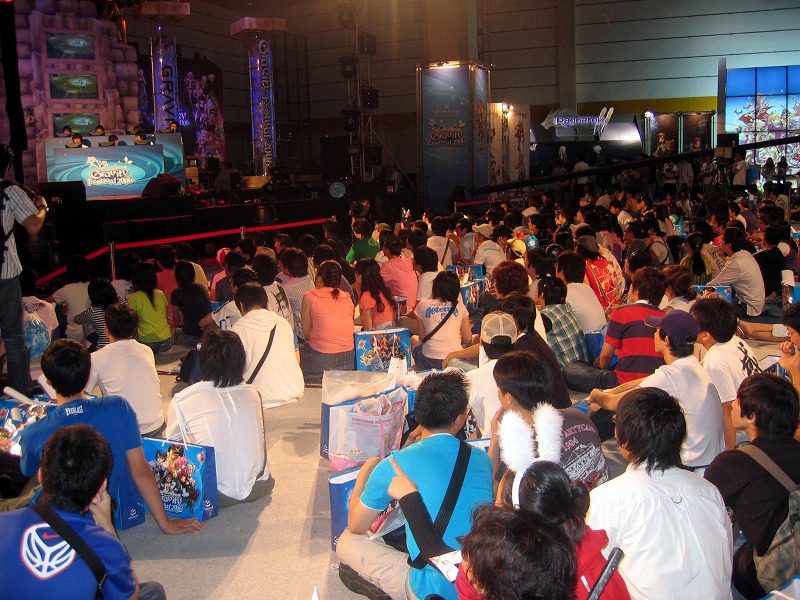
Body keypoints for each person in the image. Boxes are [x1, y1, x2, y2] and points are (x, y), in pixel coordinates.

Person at [336, 371, 493, 600]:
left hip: (432, 590)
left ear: (418, 415)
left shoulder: (393, 465)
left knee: (346, 541)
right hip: (481, 581)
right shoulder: (482, 459)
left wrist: (365, 474)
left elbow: (356, 525)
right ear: (460, 419)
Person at [19, 340, 202, 535]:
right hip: (103, 510)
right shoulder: (119, 408)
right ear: (88, 375)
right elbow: (140, 470)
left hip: (56, 521)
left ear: (48, 381)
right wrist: (166, 523)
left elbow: (28, 471)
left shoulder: (33, 433)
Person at [586, 387, 733, 599]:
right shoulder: (709, 491)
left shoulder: (606, 499)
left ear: (623, 439)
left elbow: (592, 578)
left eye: (616, 423)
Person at [0, 425, 166, 600]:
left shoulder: (4, 522)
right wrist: (107, 526)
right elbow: (131, 596)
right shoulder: (105, 546)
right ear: (101, 487)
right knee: (152, 591)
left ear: (40, 476)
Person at [590, 310, 725, 470]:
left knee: (626, 410)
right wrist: (608, 392)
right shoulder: (691, 365)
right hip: (709, 460)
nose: (653, 334)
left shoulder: (670, 376)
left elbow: (613, 403)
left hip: (689, 464)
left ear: (666, 340)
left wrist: (596, 394)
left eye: (656, 331)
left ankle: (583, 440)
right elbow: (644, 381)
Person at [705, 374, 800, 599]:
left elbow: (703, 513)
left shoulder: (731, 464)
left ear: (752, 417)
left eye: (738, 401)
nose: (733, 405)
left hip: (774, 576)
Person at [166, 330, 273, 506]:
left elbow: (172, 448)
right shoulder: (253, 393)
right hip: (259, 486)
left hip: (212, 494)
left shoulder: (182, 399)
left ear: (202, 360)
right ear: (241, 361)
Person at [492, 351, 608, 489]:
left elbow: (493, 488)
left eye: (499, 388)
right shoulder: (579, 416)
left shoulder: (522, 452)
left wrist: (495, 437)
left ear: (509, 397)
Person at [566, 267, 667, 394]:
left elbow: (605, 356)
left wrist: (600, 370)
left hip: (623, 383)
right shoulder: (666, 318)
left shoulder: (621, 313)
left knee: (571, 369)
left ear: (636, 290)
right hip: (655, 384)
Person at [0, 144, 48, 391]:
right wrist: (42, 208)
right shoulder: (9, 192)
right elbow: (33, 226)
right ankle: (20, 391)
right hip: (5, 273)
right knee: (13, 336)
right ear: (7, 167)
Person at [691, 297, 762, 450]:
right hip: (759, 418)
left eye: (692, 323)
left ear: (706, 335)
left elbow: (728, 410)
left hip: (745, 433)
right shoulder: (736, 341)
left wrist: (728, 452)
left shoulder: (715, 360)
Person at [84, 303, 164, 437]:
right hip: (156, 424)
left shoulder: (96, 358)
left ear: (106, 329)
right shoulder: (146, 350)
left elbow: (83, 393)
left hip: (126, 431)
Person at [230, 282, 303, 410]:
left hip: (257, 398)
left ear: (241, 305)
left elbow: (235, 371)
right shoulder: (284, 323)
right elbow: (296, 360)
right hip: (292, 391)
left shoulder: (237, 329)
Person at [501, 293, 571, 408]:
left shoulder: (521, 348)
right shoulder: (532, 336)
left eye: (506, 318)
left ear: (516, 319)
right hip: (559, 404)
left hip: (550, 410)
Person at [300, 260, 355, 382]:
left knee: (296, 352)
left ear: (319, 278)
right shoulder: (347, 298)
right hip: (348, 358)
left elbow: (307, 332)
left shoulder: (310, 297)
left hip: (322, 358)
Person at [465, 311, 518, 435]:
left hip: (490, 444)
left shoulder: (473, 377)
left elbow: (454, 417)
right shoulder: (530, 371)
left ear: (481, 342)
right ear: (515, 343)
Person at [411, 270, 472, 370]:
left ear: (435, 287)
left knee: (414, 339)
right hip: (453, 361)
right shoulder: (461, 307)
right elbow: (467, 339)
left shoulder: (422, 305)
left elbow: (422, 337)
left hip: (428, 361)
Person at [708, 227, 766, 319]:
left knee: (712, 305)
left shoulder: (736, 263)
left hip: (747, 307)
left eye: (722, 241)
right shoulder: (745, 254)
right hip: (756, 304)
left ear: (729, 245)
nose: (720, 243)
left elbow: (715, 284)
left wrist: (695, 292)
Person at [537, 276, 590, 372]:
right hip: (584, 368)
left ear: (541, 294)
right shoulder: (565, 309)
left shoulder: (545, 317)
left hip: (569, 374)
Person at [555, 251, 607, 334]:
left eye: (556, 266)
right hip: (602, 338)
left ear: (562, 271)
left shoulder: (565, 293)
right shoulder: (587, 289)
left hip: (590, 341)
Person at [127, 261, 172, 353]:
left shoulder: (133, 298)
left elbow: (133, 323)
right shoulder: (160, 294)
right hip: (167, 341)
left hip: (147, 343)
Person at [171, 260, 212, 346]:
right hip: (206, 333)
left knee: (172, 332)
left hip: (189, 335)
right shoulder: (202, 288)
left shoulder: (176, 293)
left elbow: (176, 321)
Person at [52, 255, 91, 342]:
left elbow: (45, 302)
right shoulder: (92, 287)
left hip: (74, 336)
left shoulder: (66, 290)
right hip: (92, 334)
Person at [279, 248, 314, 342]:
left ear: (287, 267)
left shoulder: (287, 288)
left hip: (302, 334)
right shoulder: (309, 279)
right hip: (315, 328)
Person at [355, 258, 397, 330]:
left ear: (359, 275)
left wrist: (360, 295)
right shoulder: (384, 291)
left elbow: (367, 329)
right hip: (391, 331)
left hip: (378, 334)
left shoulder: (366, 296)